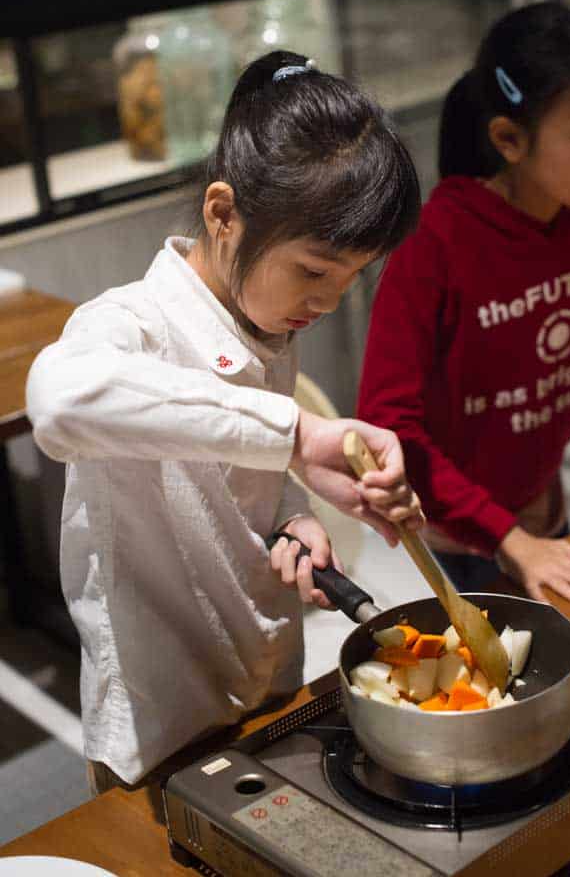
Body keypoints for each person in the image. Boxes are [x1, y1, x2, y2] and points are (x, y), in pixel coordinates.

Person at [26, 50, 423, 791]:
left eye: (350, 277)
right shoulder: (130, 324)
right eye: (315, 270)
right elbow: (58, 400)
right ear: (222, 213)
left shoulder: (264, 322)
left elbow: (233, 468)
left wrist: (294, 511)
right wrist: (296, 436)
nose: (329, 301)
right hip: (161, 716)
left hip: (267, 679)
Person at [358, 1, 570, 607]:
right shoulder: (435, 244)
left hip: (539, 509)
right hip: (453, 532)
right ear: (509, 139)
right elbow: (387, 426)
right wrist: (506, 538)